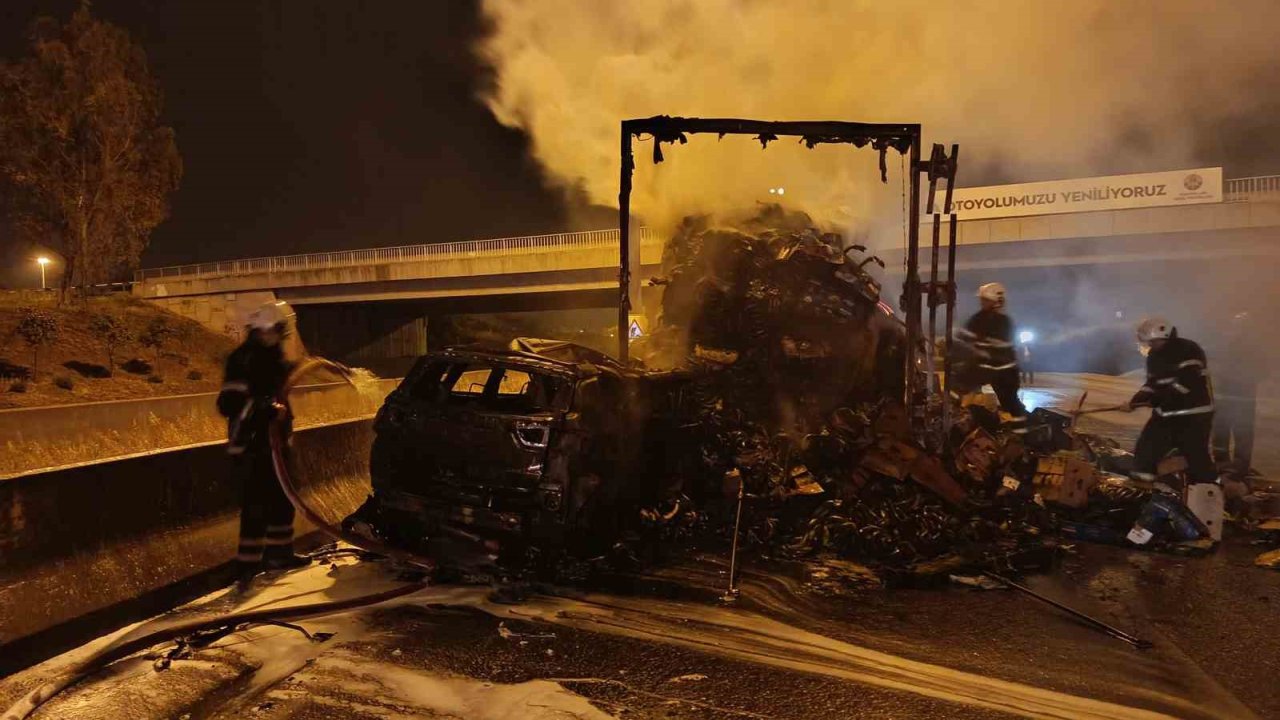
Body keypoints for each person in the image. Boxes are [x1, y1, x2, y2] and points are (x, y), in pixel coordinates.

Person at [217, 300, 309, 581]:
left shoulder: (273, 359)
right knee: (256, 505)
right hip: (252, 444)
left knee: (282, 500)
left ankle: (280, 556)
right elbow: (229, 404)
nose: (280, 336)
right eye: (277, 330)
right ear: (263, 330)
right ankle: (247, 566)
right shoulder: (244, 360)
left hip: (275, 445)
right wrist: (264, 408)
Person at [956, 282, 1028, 433]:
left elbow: (1000, 345)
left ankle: (1020, 439)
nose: (982, 303)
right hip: (985, 367)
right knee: (956, 386)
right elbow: (965, 336)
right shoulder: (978, 318)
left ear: (996, 301)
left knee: (1012, 405)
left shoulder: (1004, 322)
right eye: (982, 300)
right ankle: (953, 421)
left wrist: (980, 346)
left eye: (985, 300)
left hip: (1003, 371)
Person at [1212, 311, 1260, 477]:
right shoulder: (1250, 346)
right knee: (1238, 434)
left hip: (1233, 398)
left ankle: (1228, 466)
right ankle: (1236, 467)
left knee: (1228, 433)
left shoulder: (1227, 343)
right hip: (1238, 398)